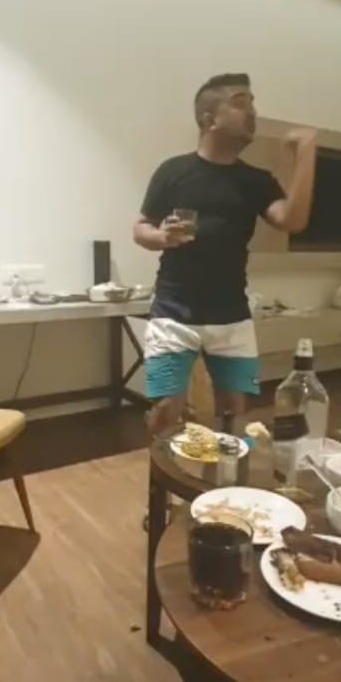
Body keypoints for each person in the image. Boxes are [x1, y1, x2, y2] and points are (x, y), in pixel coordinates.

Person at [133, 73, 317, 436]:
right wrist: (161, 236)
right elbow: (140, 228)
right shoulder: (173, 171)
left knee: (235, 415)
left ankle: (226, 473)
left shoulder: (257, 181)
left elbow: (292, 221)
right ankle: (161, 473)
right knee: (166, 409)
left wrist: (307, 152)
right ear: (209, 119)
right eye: (240, 103)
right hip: (173, 313)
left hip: (232, 316)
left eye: (253, 104)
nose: (252, 112)